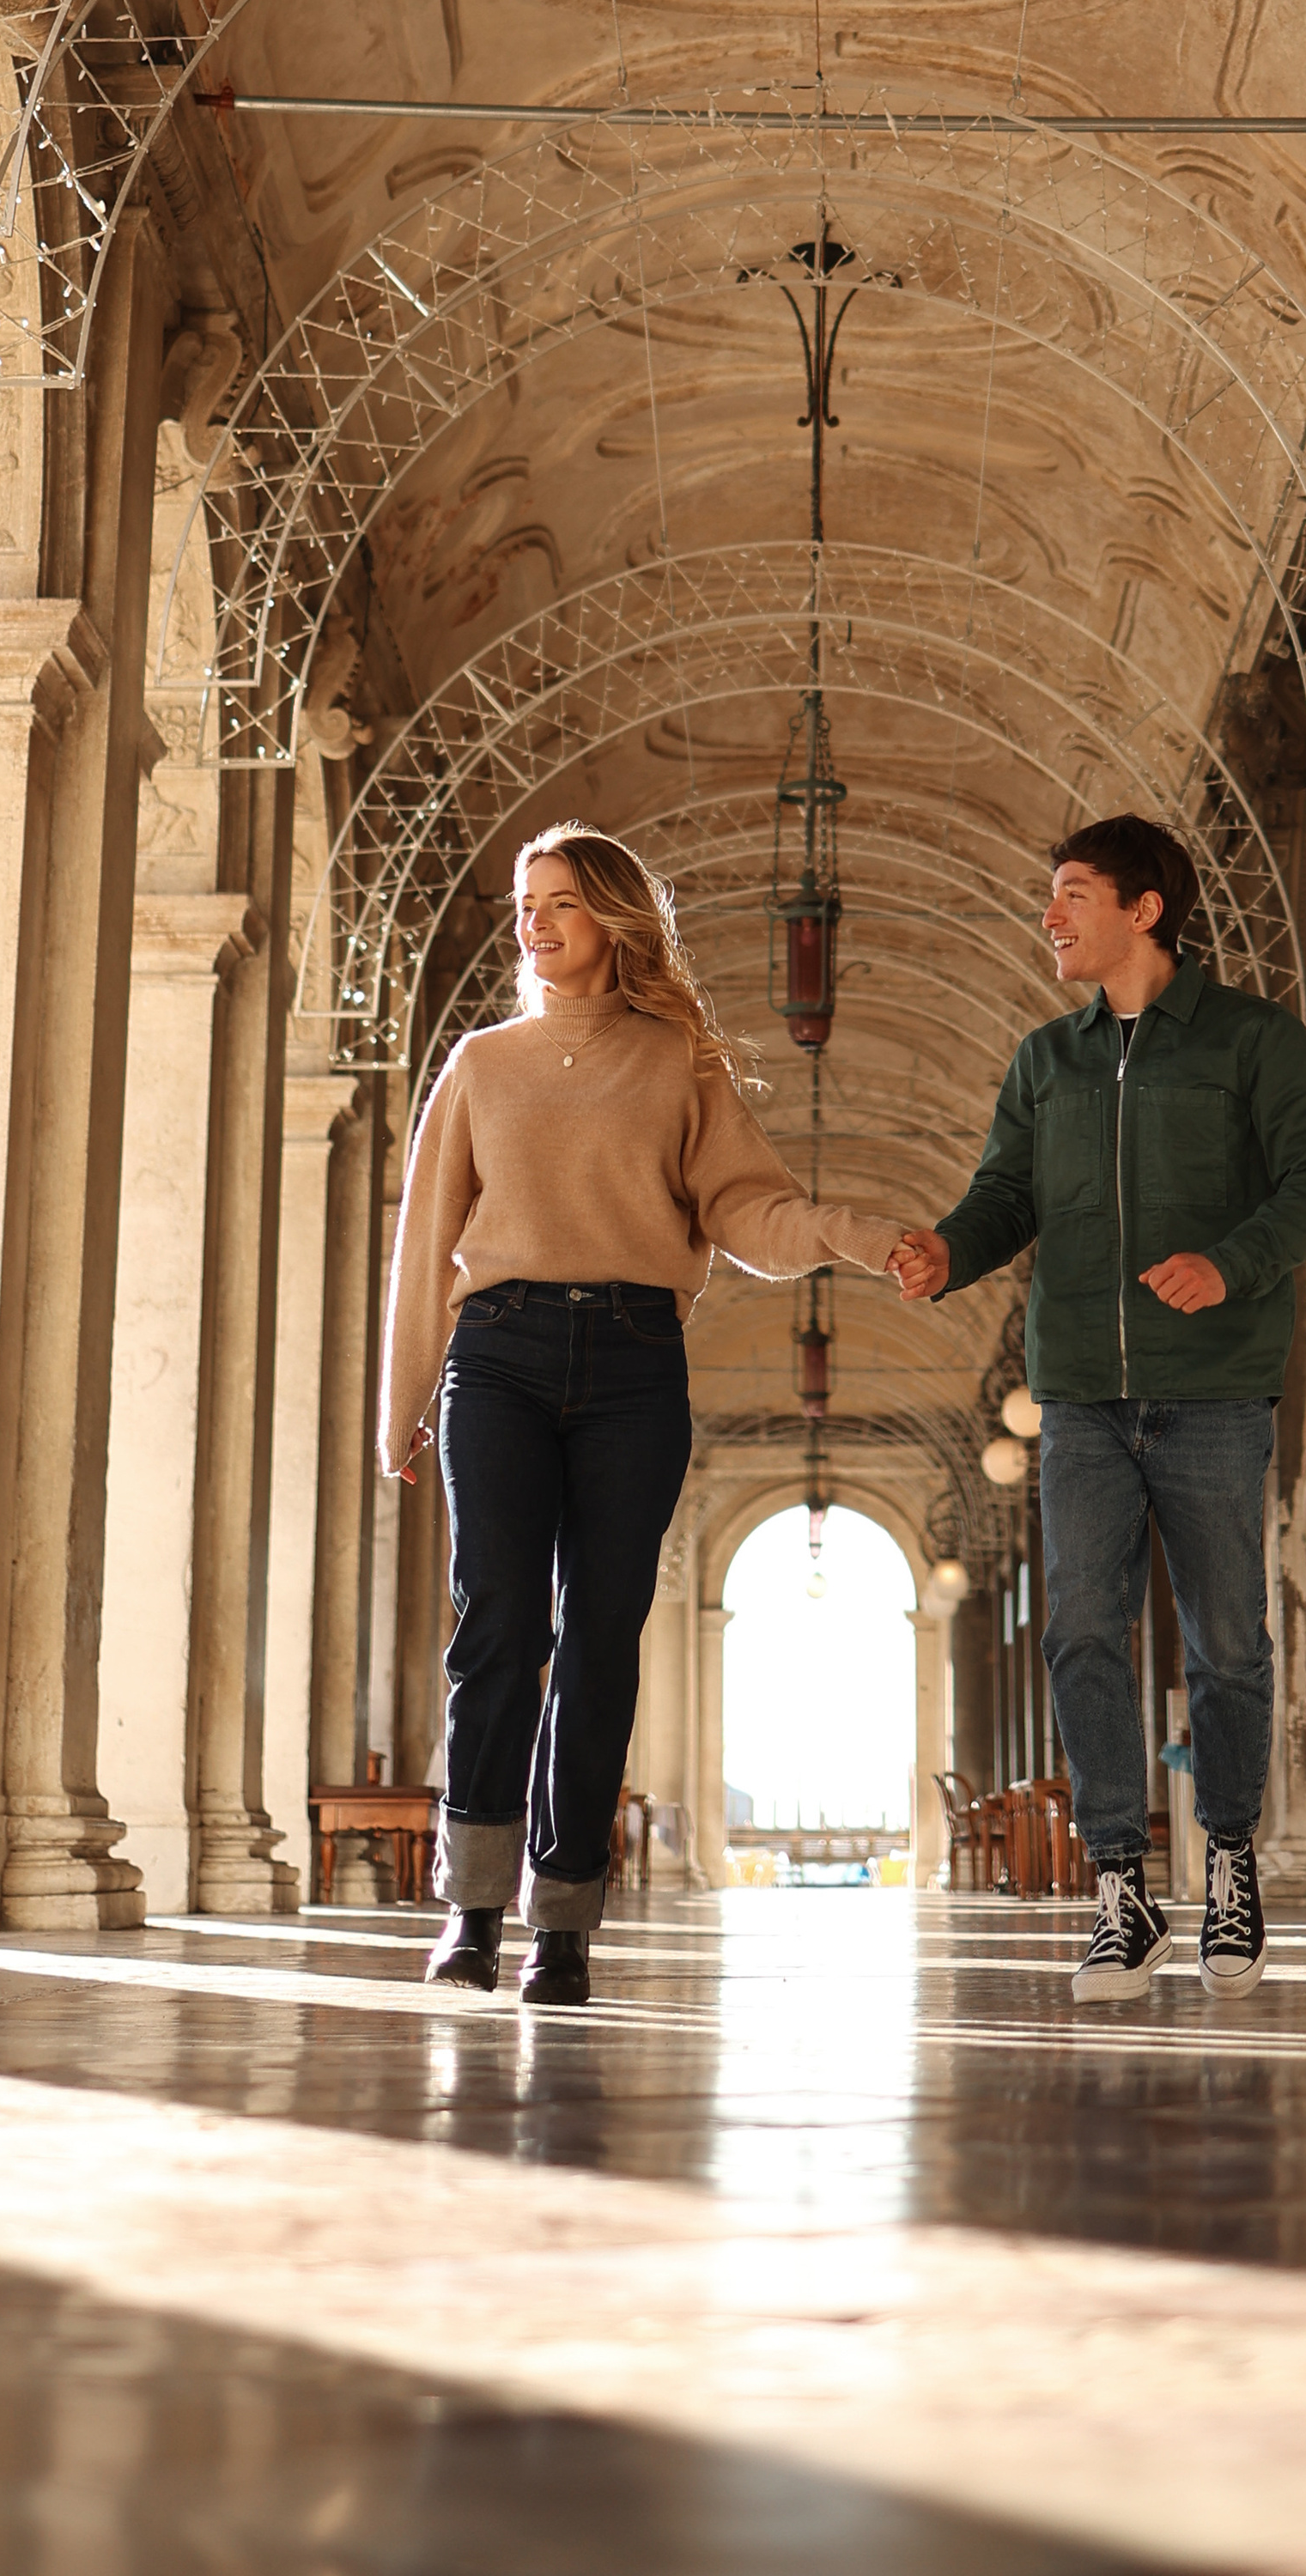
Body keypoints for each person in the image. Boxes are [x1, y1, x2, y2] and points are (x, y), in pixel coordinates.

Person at [381, 822, 911, 2007]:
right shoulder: (479, 1064)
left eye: (561, 902)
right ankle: (470, 1913)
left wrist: (861, 1241)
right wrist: (399, 1408)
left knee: (603, 1639)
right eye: (526, 902)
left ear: (614, 919)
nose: (535, 922)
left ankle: (563, 1925)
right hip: (499, 1357)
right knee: (498, 1629)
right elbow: (424, 1253)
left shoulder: (680, 1064)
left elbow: (752, 1212)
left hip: (632, 1363)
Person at [892, 817, 1306, 2005]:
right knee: (1081, 1630)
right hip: (1082, 1401)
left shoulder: (1254, 1041)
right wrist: (951, 1249)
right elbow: (1006, 1194)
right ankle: (1121, 1885)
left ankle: (1235, 1863)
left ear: (1144, 910)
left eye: (1072, 895)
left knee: (1227, 1643)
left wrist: (1232, 1262)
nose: (1050, 918)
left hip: (1209, 1386)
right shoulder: (1045, 1061)